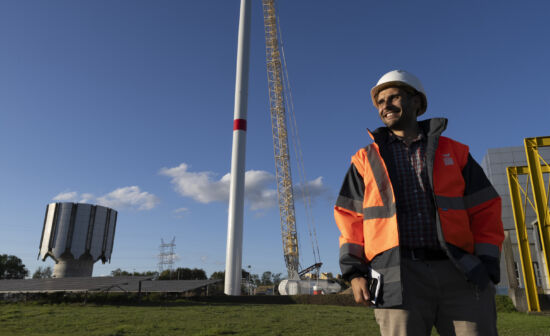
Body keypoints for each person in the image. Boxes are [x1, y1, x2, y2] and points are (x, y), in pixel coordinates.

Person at [334, 70, 504, 336]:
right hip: (396, 276)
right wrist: (354, 273)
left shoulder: (455, 153)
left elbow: (485, 209)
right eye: (380, 102)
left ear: (417, 102)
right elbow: (350, 219)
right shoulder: (364, 160)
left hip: (461, 271)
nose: (385, 106)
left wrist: (487, 263)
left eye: (394, 97)